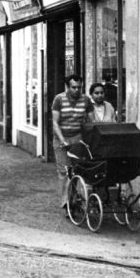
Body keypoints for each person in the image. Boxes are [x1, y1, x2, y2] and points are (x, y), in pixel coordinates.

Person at [51, 74, 92, 209]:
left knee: (77, 169)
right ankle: (66, 202)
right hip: (61, 137)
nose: (76, 90)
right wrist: (62, 140)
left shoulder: (86, 99)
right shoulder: (59, 99)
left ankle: (76, 197)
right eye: (73, 87)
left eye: (79, 87)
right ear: (67, 87)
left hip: (77, 137)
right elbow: (55, 123)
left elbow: (91, 122)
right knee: (64, 171)